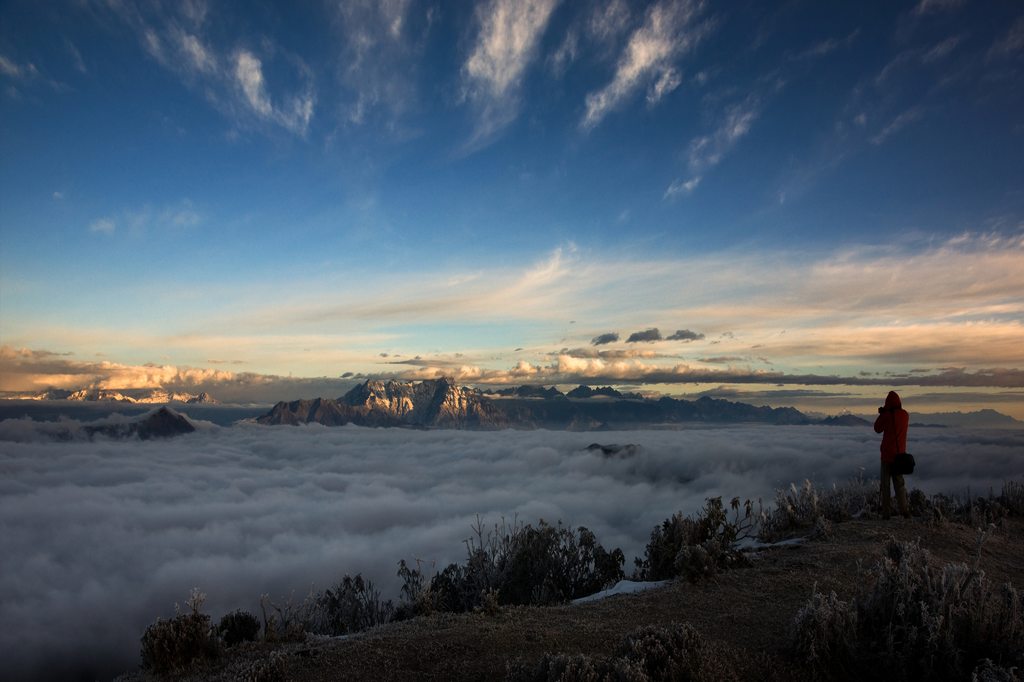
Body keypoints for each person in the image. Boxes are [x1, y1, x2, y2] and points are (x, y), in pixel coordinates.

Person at [874, 390, 910, 519]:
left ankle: (886, 513)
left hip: (887, 456)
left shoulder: (886, 416)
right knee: (899, 484)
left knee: (886, 485)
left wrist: (882, 413)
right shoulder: (905, 415)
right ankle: (904, 511)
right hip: (900, 456)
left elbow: (877, 428)